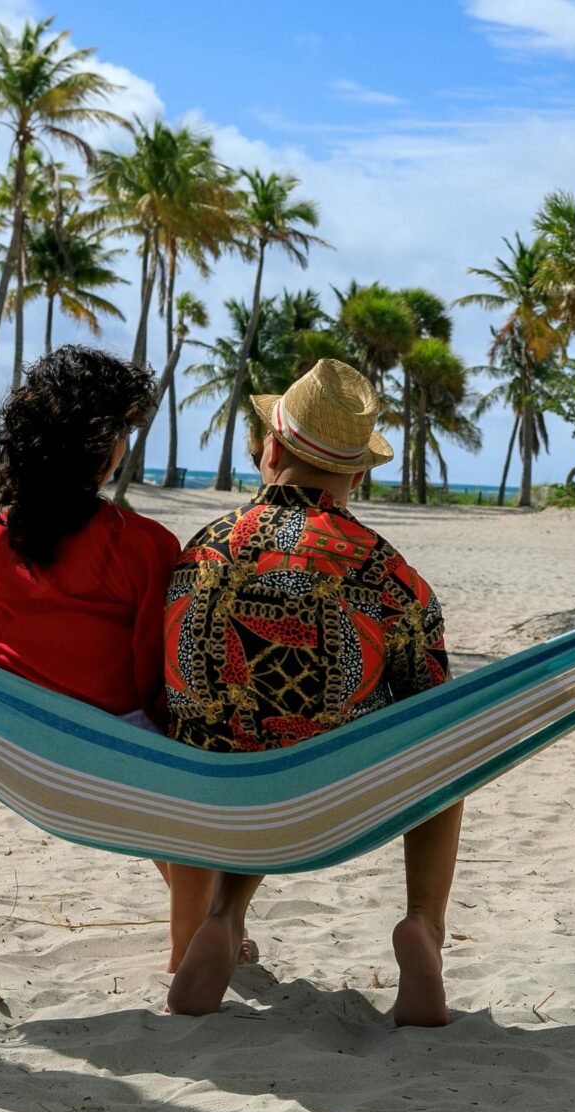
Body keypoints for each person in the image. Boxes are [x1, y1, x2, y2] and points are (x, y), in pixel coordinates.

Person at [163, 357, 463, 1025]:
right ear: (358, 475)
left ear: (270, 450)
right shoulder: (389, 574)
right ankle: (424, 925)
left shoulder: (197, 553)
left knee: (251, 731)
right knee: (450, 748)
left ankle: (224, 913)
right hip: (336, 798)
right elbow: (436, 711)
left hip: (219, 797)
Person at [0, 345, 216, 972]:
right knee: (195, 822)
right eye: (122, 432)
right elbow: (152, 670)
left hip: (22, 736)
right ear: (103, 450)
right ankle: (190, 950)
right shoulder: (144, 544)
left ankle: (203, 926)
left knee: (160, 800)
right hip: (115, 737)